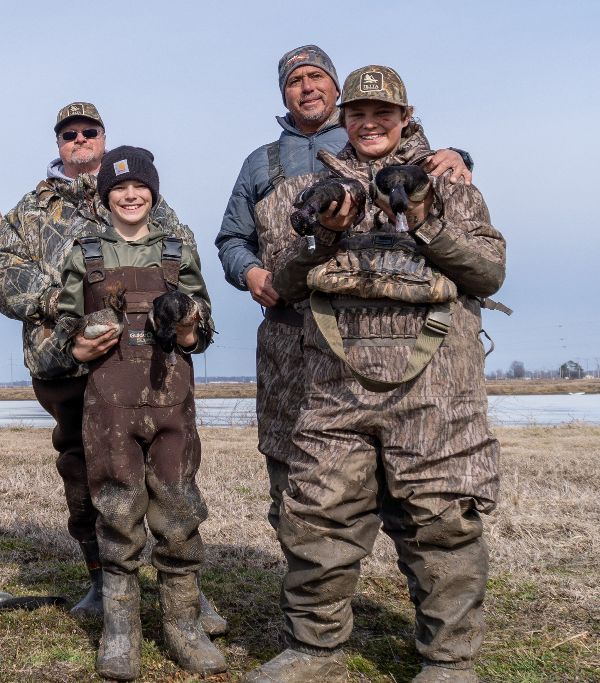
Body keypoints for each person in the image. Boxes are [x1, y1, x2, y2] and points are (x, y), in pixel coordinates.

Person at [244, 66, 505, 683]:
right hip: (335, 389)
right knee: (319, 516)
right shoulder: (302, 191)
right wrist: (324, 237)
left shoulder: (452, 187)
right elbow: (281, 284)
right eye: (358, 114)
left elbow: (488, 274)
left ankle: (449, 661)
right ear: (343, 119)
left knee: (441, 520)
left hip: (435, 388)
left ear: (406, 118)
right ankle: (315, 649)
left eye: (383, 114)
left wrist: (426, 219)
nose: (369, 124)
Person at [215, 45, 473, 533]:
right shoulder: (260, 163)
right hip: (290, 336)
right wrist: (249, 273)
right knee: (296, 477)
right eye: (295, 81)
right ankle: (310, 567)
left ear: (337, 88)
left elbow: (424, 168)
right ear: (283, 94)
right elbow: (231, 239)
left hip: (375, 334)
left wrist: (459, 155)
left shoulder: (368, 140)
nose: (307, 87)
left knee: (404, 475)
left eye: (317, 77)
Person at [0, 102, 227, 634]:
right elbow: (4, 270)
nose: (80, 139)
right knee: (84, 468)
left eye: (89, 131)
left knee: (166, 469)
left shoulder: (141, 196)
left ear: (103, 138)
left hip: (146, 362)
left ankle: (183, 590)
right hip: (66, 361)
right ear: (59, 144)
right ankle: (103, 580)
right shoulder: (30, 210)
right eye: (69, 134)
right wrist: (68, 303)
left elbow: (181, 268)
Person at [52, 146, 227, 680]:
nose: (130, 196)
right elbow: (65, 324)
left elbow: (202, 325)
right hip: (108, 406)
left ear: (153, 192)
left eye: (139, 187)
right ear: (106, 197)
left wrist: (190, 327)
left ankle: (184, 626)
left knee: (179, 512)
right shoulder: (84, 252)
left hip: (171, 401)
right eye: (119, 189)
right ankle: (120, 629)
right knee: (117, 512)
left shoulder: (177, 248)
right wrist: (79, 342)